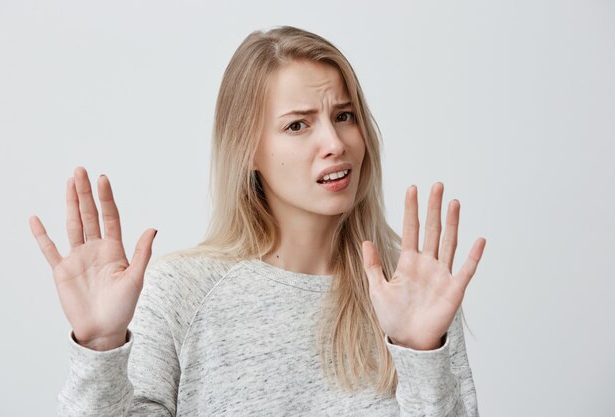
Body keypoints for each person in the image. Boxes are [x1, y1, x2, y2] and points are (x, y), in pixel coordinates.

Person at [29, 25, 486, 416]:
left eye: (344, 116)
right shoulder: (184, 290)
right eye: (297, 125)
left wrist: (421, 355)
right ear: (248, 150)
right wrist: (100, 347)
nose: (335, 142)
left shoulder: (409, 289)